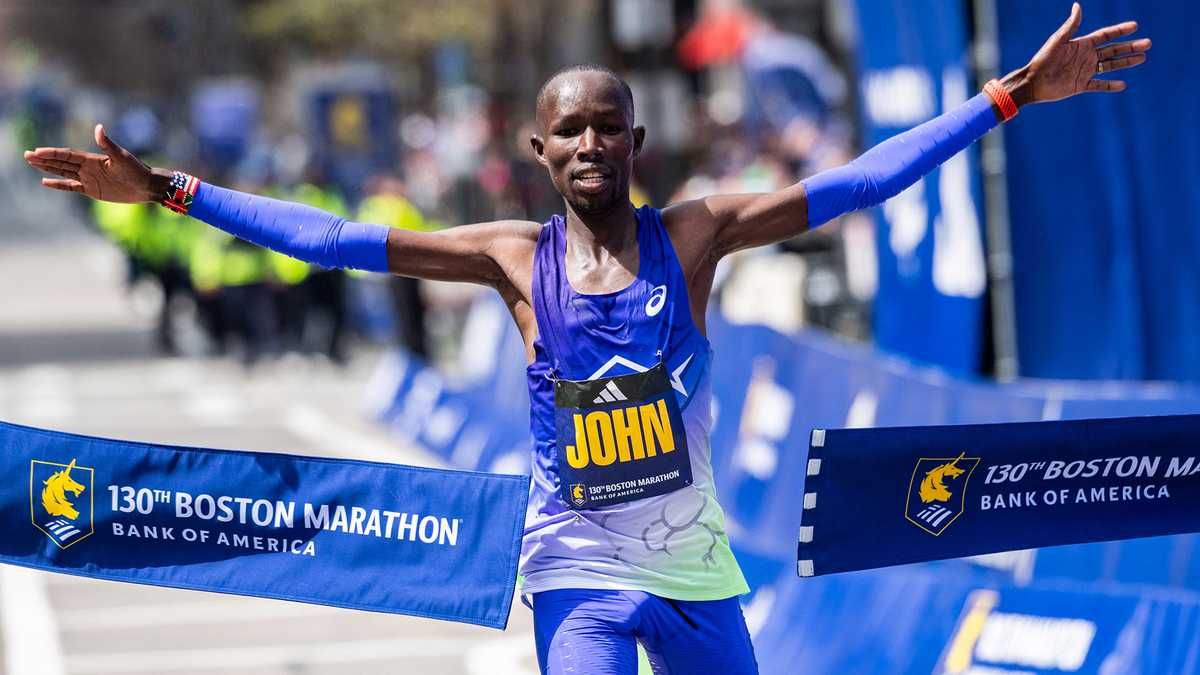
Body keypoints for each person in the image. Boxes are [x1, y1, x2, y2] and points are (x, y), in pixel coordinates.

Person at [23, 5, 1148, 673]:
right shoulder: (512, 260)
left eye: (610, 126)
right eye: (571, 130)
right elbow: (330, 239)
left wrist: (1006, 98)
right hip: (580, 579)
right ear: (540, 149)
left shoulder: (696, 236)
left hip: (699, 576)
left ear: (637, 141)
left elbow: (859, 181)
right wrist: (168, 190)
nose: (592, 144)